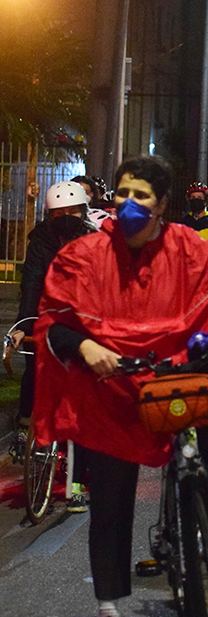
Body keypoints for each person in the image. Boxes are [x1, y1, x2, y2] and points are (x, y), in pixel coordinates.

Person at [33, 156, 208, 617]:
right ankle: (109, 611)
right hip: (116, 388)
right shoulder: (85, 255)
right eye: (122, 193)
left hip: (176, 376)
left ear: (163, 204)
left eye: (141, 195)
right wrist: (86, 348)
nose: (128, 203)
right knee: (111, 496)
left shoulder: (188, 247)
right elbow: (53, 317)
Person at [13, 182, 99, 511]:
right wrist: (23, 325)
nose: (65, 217)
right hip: (48, 319)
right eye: (58, 213)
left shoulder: (94, 240)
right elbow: (32, 281)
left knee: (82, 405)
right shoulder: (41, 240)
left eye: (71, 212)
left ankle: (77, 481)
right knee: (34, 374)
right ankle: (28, 431)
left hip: (84, 322)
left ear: (82, 212)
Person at [179, 182, 208, 254]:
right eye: (193, 198)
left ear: (205, 201)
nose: (196, 200)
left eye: (199, 198)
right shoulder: (184, 222)